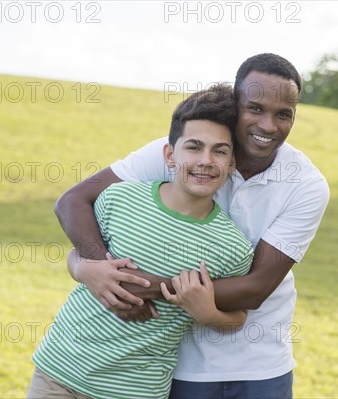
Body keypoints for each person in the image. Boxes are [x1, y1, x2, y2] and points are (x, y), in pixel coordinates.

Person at [56, 53, 330, 399]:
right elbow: (75, 200)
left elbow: (257, 287)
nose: (268, 126)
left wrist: (142, 287)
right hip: (180, 361)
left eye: (284, 114)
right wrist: (94, 266)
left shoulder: (306, 184)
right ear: (236, 102)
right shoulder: (184, 152)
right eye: (255, 108)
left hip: (260, 363)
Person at [27, 84, 254, 399]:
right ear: (170, 155)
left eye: (220, 151)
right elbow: (77, 254)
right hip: (59, 372)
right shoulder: (119, 198)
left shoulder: (232, 248)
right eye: (194, 147)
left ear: (232, 164)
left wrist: (208, 314)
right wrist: (82, 269)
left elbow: (238, 318)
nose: (206, 160)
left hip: (135, 390)